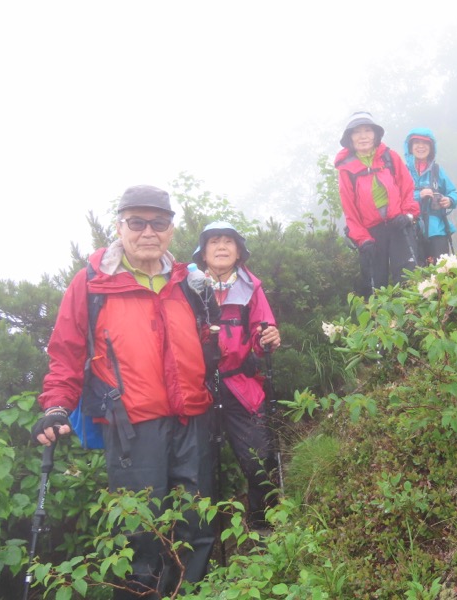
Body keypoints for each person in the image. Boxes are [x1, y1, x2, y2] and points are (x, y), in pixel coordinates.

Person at [32, 185, 220, 599]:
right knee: (140, 532)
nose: (148, 231)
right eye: (137, 222)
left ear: (172, 230)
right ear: (120, 226)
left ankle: (195, 593)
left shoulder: (189, 281)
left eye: (159, 222)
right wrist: (58, 405)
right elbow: (66, 350)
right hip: (132, 423)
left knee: (199, 523)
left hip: (192, 416)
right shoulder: (92, 283)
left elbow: (209, 339)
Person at [191, 221, 281, 533]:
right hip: (199, 390)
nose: (221, 247)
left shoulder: (250, 288)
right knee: (199, 470)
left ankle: (261, 528)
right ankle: (206, 543)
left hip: (241, 386)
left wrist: (268, 337)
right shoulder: (190, 288)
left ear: (239, 252)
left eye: (229, 242)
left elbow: (262, 330)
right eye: (213, 241)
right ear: (203, 254)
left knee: (259, 461)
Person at [335, 111, 421, 298]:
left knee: (409, 278)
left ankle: (415, 323)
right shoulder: (346, 169)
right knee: (375, 287)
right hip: (371, 234)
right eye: (357, 132)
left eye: (367, 130)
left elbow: (407, 187)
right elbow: (349, 209)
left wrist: (408, 215)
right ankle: (380, 325)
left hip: (399, 225)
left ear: (376, 135)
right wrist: (362, 239)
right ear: (350, 138)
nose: (363, 136)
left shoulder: (390, 157)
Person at [404, 128, 457, 264]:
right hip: (411, 230)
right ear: (410, 147)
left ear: (431, 147)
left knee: (443, 269)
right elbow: (397, 198)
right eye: (416, 142)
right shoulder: (403, 171)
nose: (421, 146)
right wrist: (419, 195)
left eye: (425, 143)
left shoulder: (437, 170)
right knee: (417, 273)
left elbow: (453, 192)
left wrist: (450, 200)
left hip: (437, 229)